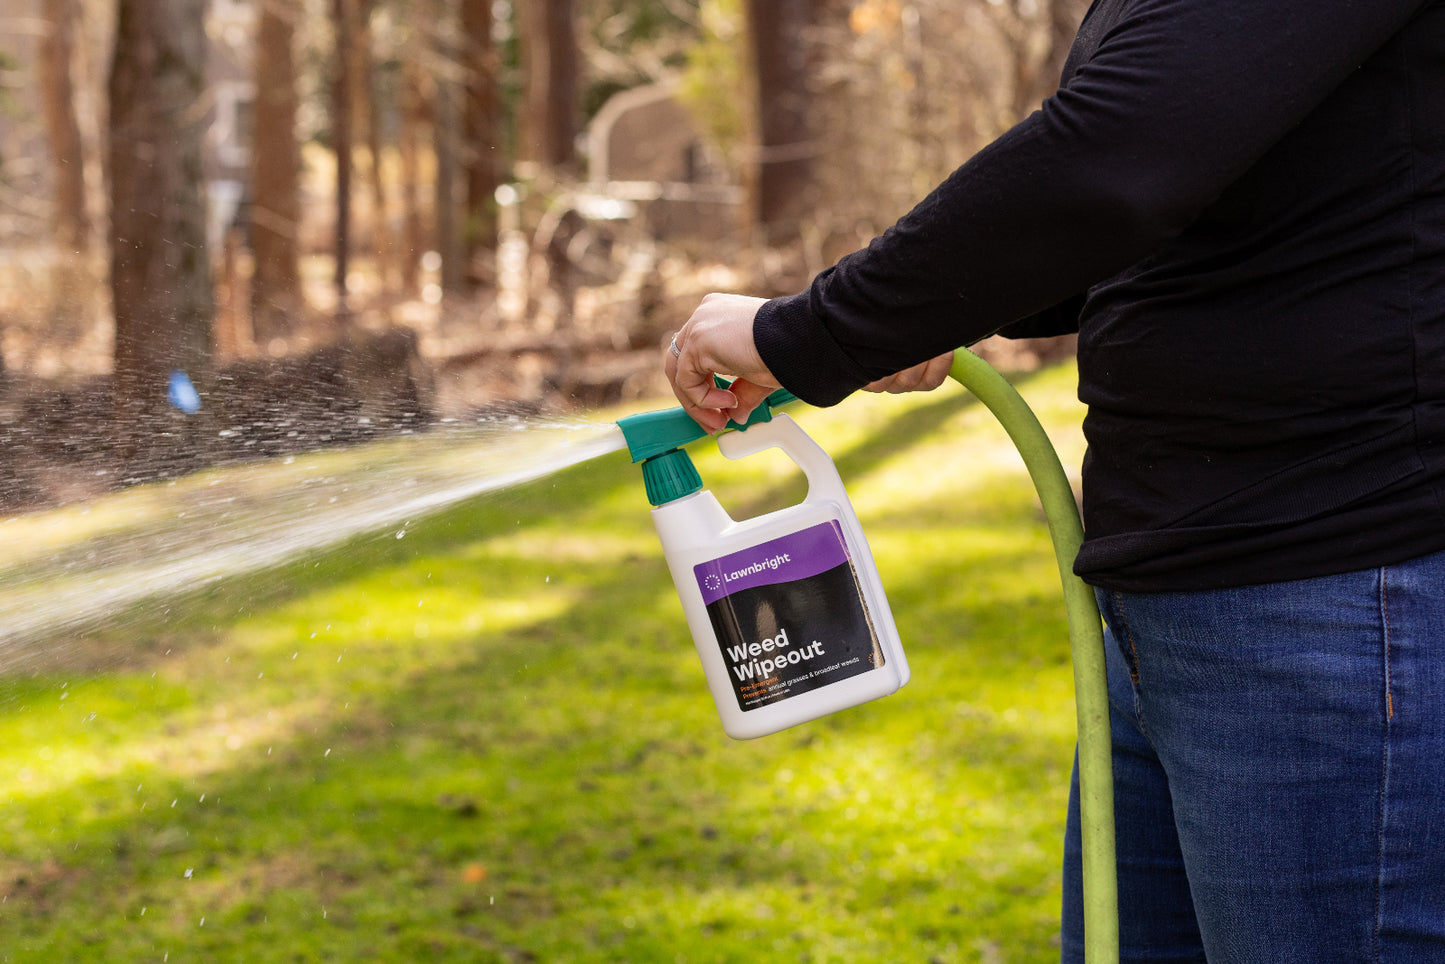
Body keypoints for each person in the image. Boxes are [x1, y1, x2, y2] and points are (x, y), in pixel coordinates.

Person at [663, 1, 1445, 961]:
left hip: (1330, 589)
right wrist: (903, 307)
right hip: (1174, 593)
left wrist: (820, 330)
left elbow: (1121, 157)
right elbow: (1193, 200)